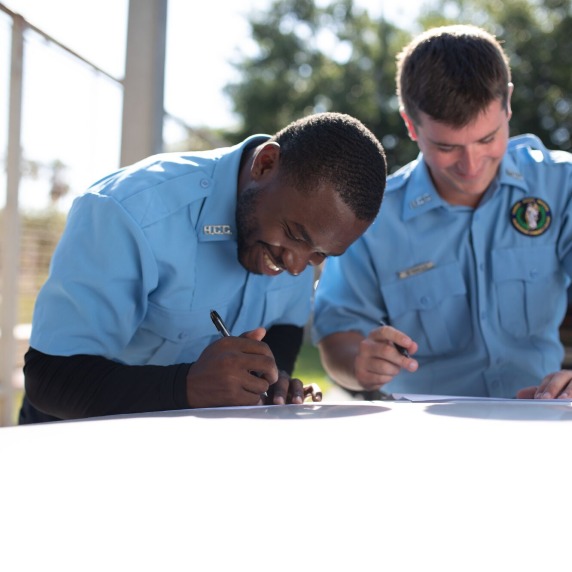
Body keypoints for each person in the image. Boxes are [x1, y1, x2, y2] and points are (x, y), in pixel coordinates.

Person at [19, 112, 387, 424]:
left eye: (320, 254)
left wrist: (274, 384)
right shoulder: (128, 210)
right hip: (70, 443)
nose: (296, 266)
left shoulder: (300, 235)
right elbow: (49, 380)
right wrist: (187, 387)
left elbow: (281, 339)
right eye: (292, 234)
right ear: (266, 164)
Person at [312, 25, 572, 401]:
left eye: (487, 139)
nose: (471, 165)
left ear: (508, 103)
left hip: (540, 419)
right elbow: (337, 336)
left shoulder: (560, 185)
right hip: (424, 435)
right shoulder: (373, 216)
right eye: (447, 146)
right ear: (410, 125)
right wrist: (359, 365)